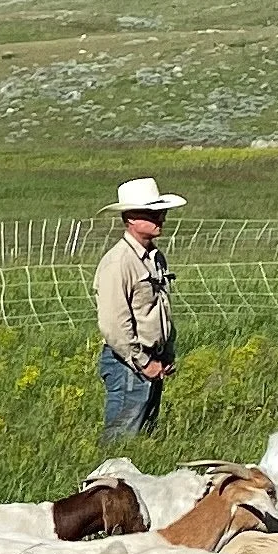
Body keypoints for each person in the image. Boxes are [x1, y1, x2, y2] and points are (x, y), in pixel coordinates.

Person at [94, 175, 184, 439]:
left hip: (150, 360)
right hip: (128, 363)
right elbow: (114, 325)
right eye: (152, 212)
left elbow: (159, 308)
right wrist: (143, 362)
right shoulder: (118, 263)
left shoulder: (155, 258)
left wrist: (166, 353)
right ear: (131, 217)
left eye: (161, 211)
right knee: (121, 441)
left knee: (143, 438)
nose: (161, 217)